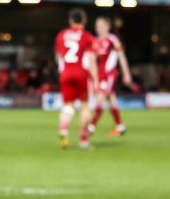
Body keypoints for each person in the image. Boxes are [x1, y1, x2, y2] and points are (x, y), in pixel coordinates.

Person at [54, 8, 99, 149]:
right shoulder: (87, 37)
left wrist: (62, 70)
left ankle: (63, 129)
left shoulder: (61, 35)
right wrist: (96, 79)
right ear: (84, 20)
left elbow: (58, 56)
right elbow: (91, 59)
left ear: (70, 20)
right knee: (85, 106)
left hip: (65, 73)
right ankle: (83, 140)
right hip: (81, 73)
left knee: (68, 105)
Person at [89, 16, 133, 137]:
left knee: (101, 98)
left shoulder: (113, 39)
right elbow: (92, 60)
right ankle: (120, 126)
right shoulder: (95, 41)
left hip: (110, 74)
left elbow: (121, 57)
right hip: (100, 75)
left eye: (100, 24)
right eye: (96, 25)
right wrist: (94, 77)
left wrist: (126, 73)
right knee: (111, 99)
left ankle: (91, 127)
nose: (97, 27)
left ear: (107, 26)